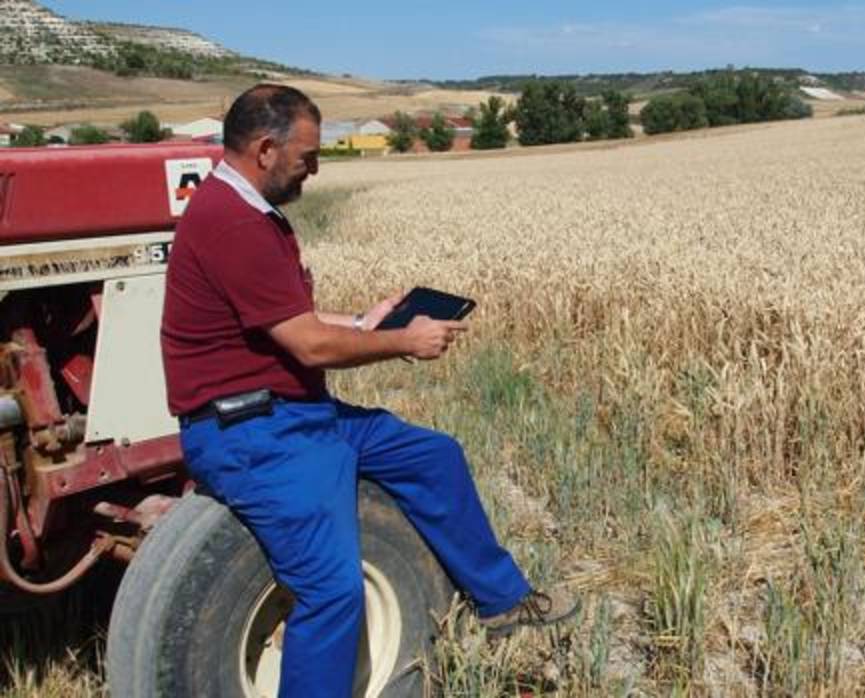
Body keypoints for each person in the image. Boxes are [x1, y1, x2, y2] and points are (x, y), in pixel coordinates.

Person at [160, 84, 578, 698]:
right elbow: (309, 347)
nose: (316, 168)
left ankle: (502, 604)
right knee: (332, 591)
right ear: (266, 149)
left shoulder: (243, 208)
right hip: (253, 434)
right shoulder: (233, 223)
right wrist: (403, 341)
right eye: (307, 157)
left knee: (433, 457)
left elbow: (282, 320)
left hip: (295, 413)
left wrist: (362, 322)